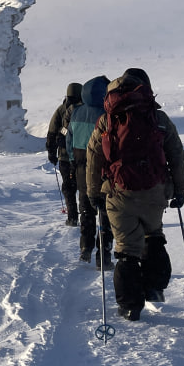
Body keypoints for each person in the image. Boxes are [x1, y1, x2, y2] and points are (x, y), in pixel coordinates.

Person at [86, 68, 184, 321]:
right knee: (153, 235)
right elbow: (176, 155)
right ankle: (154, 288)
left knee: (126, 249)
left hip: (119, 192)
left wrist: (93, 192)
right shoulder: (159, 118)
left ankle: (130, 306)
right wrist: (180, 190)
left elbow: (94, 158)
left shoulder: (107, 120)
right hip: (154, 192)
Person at [65, 75, 113, 266]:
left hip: (80, 165)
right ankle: (104, 255)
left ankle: (85, 247)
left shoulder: (76, 113)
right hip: (102, 167)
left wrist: (71, 160)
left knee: (85, 207)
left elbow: (69, 140)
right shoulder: (107, 114)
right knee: (104, 210)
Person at [46, 82, 81, 226]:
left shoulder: (61, 110)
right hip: (83, 156)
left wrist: (51, 153)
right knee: (84, 186)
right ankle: (88, 214)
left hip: (65, 157)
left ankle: (72, 217)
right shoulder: (85, 109)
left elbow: (52, 132)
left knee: (68, 187)